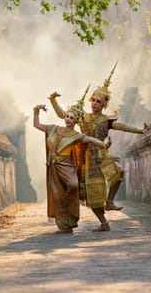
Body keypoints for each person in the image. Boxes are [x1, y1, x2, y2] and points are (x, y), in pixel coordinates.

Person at [48, 63, 149, 231]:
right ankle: (104, 223)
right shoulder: (83, 118)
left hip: (102, 155)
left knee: (119, 172)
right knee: (91, 192)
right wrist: (53, 101)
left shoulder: (106, 120)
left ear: (104, 104)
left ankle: (109, 202)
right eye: (93, 100)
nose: (94, 103)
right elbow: (62, 115)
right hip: (87, 159)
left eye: (98, 101)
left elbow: (122, 126)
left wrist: (139, 130)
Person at [33, 95, 110, 234]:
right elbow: (37, 125)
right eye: (67, 116)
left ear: (76, 120)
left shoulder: (76, 135)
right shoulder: (53, 128)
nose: (68, 119)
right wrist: (36, 111)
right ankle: (64, 225)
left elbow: (90, 139)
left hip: (67, 166)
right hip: (53, 167)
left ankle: (72, 216)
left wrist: (103, 144)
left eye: (71, 117)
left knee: (73, 185)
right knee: (57, 195)